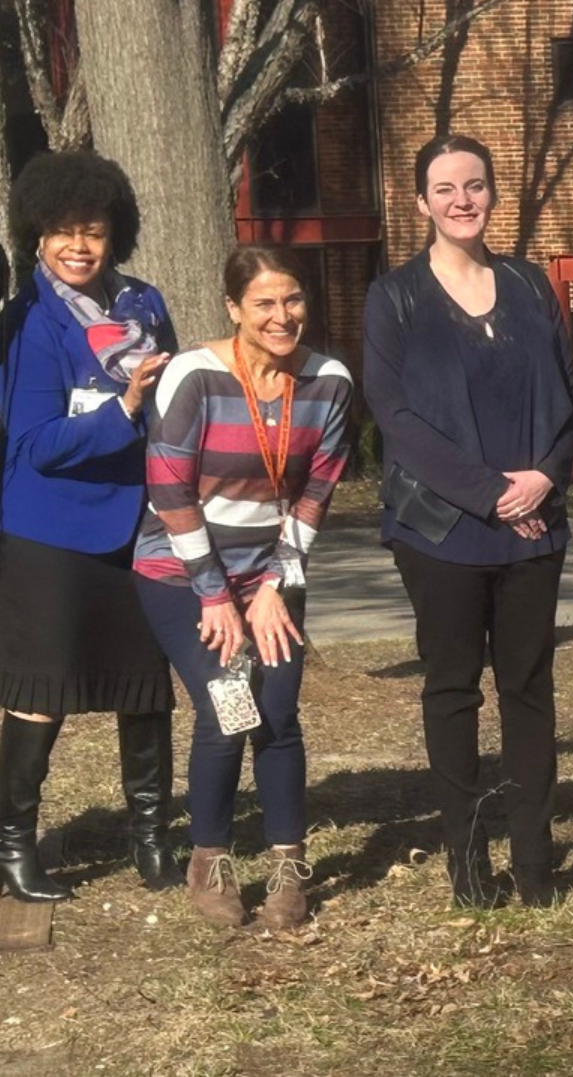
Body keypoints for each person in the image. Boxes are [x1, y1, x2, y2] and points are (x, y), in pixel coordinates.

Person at [364, 134, 573, 909]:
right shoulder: (394, 298)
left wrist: (544, 478)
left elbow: (568, 395)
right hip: (444, 533)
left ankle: (534, 863)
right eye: (445, 188)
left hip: (533, 529)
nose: (463, 199)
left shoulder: (527, 284)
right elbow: (397, 418)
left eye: (476, 185)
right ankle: (468, 861)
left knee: (528, 688)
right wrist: (492, 493)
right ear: (421, 202)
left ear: (493, 193)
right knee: (453, 690)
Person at [135, 248, 352, 929]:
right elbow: (169, 491)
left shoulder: (330, 381)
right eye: (263, 303)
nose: (281, 316)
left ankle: (290, 867)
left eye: (292, 301)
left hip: (271, 573)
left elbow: (317, 490)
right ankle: (211, 859)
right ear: (234, 308)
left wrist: (274, 584)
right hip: (182, 571)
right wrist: (214, 593)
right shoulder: (194, 377)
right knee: (229, 706)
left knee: (279, 711)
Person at [0, 151, 182, 902]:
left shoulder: (145, 303)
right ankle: (13, 845)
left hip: (139, 524)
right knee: (42, 689)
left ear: (117, 235)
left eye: (95, 231)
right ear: (37, 236)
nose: (80, 245)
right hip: (48, 532)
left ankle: (151, 840)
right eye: (64, 230)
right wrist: (124, 410)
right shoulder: (27, 324)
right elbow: (32, 443)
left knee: (146, 685)